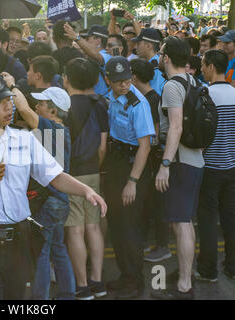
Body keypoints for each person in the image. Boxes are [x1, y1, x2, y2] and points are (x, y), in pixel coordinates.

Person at [0, 74, 107, 300]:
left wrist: (87, 191)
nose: (9, 107)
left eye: (9, 100)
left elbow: (54, 176)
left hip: (19, 245)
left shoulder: (25, 139)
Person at [2, 76, 76, 300]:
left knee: (41, 254)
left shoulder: (51, 128)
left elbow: (23, 108)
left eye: (42, 103)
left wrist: (11, 85)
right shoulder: (60, 131)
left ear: (53, 110)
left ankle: (40, 300)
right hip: (59, 201)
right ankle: (67, 294)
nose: (37, 105)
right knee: (58, 249)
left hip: (48, 201)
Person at [151, 36, 204, 300]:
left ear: (167, 57)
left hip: (180, 162)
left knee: (181, 223)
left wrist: (165, 165)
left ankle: (184, 286)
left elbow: (176, 127)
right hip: (195, 160)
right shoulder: (193, 80)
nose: (160, 57)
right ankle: (186, 273)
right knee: (183, 222)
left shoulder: (173, 85)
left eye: (161, 53)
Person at [104, 56, 155, 299]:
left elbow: (145, 146)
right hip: (116, 162)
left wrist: (132, 182)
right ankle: (125, 276)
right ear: (108, 81)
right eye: (117, 82)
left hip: (134, 166)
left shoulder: (138, 103)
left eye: (126, 80)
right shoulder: (110, 96)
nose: (123, 85)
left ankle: (136, 281)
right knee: (115, 224)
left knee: (130, 228)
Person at [62, 58, 109, 300]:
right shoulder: (99, 103)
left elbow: (59, 147)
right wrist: (95, 166)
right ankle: (98, 281)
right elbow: (102, 147)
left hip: (69, 175)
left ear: (66, 79)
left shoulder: (62, 106)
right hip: (93, 172)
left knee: (74, 230)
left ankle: (81, 285)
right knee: (93, 227)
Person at [196, 50, 235, 281]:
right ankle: (232, 265)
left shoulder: (205, 95)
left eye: (203, 64)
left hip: (210, 166)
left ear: (211, 67)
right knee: (230, 217)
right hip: (232, 166)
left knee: (208, 219)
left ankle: (208, 269)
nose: (201, 69)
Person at [130, 59, 171, 262]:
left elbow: (153, 134)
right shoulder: (148, 97)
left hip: (154, 159)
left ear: (134, 77)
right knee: (148, 202)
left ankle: (162, 245)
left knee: (157, 204)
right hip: (150, 158)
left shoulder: (151, 99)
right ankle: (148, 242)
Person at [63, 23, 111, 96]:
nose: (85, 41)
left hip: (104, 103)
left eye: (87, 39)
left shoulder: (107, 56)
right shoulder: (88, 57)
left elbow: (96, 56)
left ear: (98, 41)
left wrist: (77, 37)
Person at [131, 28, 166, 96]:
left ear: (148, 46)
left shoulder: (156, 67)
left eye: (138, 44)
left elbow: (155, 96)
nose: (135, 47)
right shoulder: (152, 63)